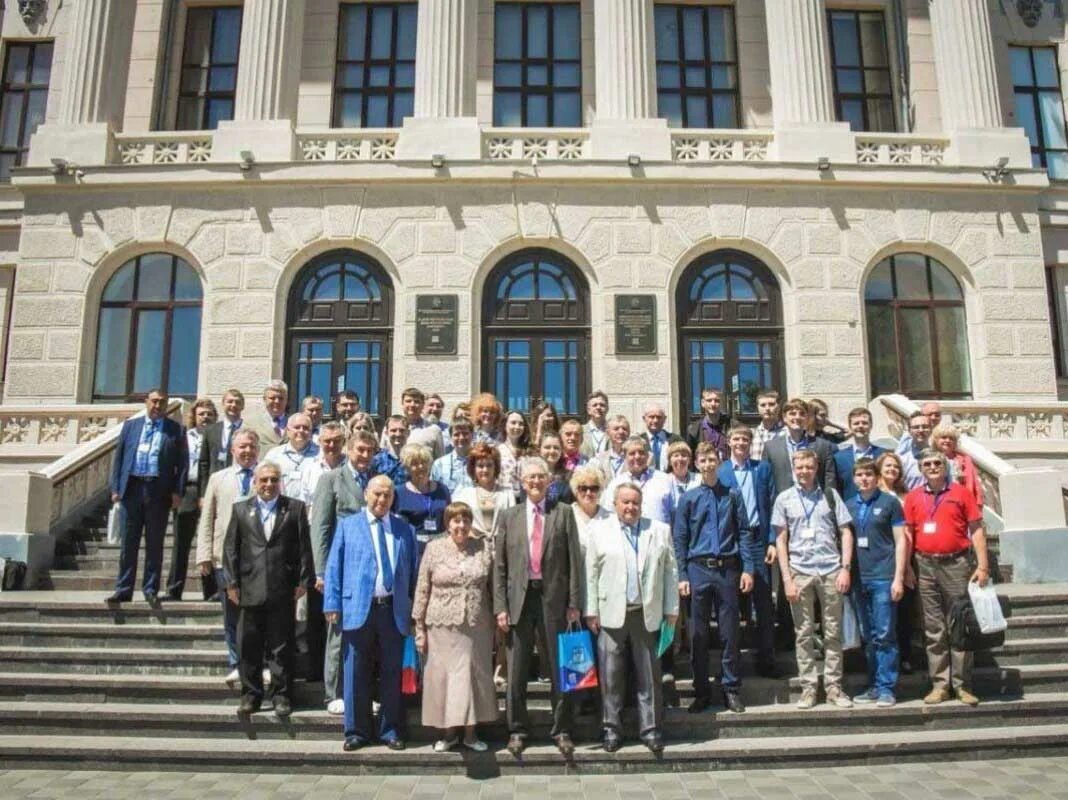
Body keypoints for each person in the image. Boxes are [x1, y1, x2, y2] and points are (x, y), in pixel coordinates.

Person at [493, 457, 582, 757]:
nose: (535, 482)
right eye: (529, 477)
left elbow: (574, 562)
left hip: (553, 598)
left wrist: (573, 603)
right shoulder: (509, 516)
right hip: (519, 601)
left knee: (560, 668)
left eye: (540, 477)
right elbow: (500, 567)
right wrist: (501, 606)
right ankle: (517, 730)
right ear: (521, 481)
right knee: (516, 671)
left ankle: (562, 729)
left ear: (549, 481)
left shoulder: (564, 513)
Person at [324, 476, 418, 751]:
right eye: (377, 494)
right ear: (366, 494)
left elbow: (412, 572)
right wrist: (332, 603)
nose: (381, 500)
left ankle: (391, 730)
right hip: (357, 609)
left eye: (387, 495)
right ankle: (357, 731)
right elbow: (334, 566)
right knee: (355, 670)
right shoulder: (348, 526)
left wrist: (413, 609)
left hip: (393, 610)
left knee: (392, 672)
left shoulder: (404, 530)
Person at [586, 482, 679, 752]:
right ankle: (611, 730)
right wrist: (591, 610)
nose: (630, 507)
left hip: (646, 613)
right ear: (615, 504)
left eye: (635, 503)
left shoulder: (659, 531)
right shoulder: (599, 531)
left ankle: (650, 730)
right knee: (611, 676)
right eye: (625, 502)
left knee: (649, 676)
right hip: (610, 615)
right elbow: (590, 572)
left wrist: (671, 609)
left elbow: (670, 572)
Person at [223, 461, 314, 718]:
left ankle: (281, 695)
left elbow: (304, 548)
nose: (269, 485)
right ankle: (251, 695)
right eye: (264, 480)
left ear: (280, 482)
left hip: (281, 588)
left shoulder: (294, 509)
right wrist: (231, 583)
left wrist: (303, 581)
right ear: (255, 482)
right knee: (248, 646)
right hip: (249, 589)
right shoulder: (241, 510)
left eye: (274, 480)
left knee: (281, 647)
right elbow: (231, 549)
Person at [904, 448, 990, 707]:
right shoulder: (913, 497)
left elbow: (976, 529)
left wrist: (983, 565)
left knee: (959, 625)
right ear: (921, 469)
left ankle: (962, 685)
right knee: (934, 627)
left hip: (956, 563)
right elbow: (908, 534)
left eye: (937, 463)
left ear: (945, 466)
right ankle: (940, 684)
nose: (932, 467)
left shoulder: (961, 493)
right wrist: (907, 567)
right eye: (927, 464)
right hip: (925, 564)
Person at [673, 444, 753, 714]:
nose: (708, 464)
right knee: (698, 633)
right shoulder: (689, 498)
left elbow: (743, 532)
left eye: (712, 459)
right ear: (696, 463)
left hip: (727, 569)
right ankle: (701, 690)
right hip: (698, 569)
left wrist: (748, 568)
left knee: (730, 631)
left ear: (720, 462)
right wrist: (682, 574)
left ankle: (731, 688)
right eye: (703, 460)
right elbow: (680, 539)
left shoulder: (732, 495)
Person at [772, 449, 854, 709]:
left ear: (816, 467)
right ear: (794, 469)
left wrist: (846, 568)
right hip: (800, 572)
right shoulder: (784, 499)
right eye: (800, 467)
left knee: (832, 633)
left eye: (809, 466)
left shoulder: (830, 496)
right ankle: (809, 688)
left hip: (830, 570)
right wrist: (786, 579)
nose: (804, 471)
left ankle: (833, 687)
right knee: (803, 634)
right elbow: (781, 540)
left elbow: (846, 532)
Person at [413, 502, 497, 753]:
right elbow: (422, 588)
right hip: (441, 625)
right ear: (447, 524)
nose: (461, 525)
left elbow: (493, 587)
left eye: (465, 520)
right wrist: (419, 628)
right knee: (445, 680)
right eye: (455, 521)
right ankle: (448, 734)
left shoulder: (483, 548)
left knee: (472, 678)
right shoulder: (434, 548)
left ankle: (471, 733)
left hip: (476, 624)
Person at [310, 429, 376, 715]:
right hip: (341, 568)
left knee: (366, 634)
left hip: (371, 571)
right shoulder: (331, 480)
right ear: (348, 450)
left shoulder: (375, 482)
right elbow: (321, 528)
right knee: (337, 631)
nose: (364, 456)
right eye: (359, 450)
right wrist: (322, 571)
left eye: (369, 451)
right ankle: (333, 693)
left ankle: (362, 692)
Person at [107, 390, 187, 606]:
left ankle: (150, 588)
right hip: (132, 489)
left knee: (154, 544)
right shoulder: (130, 426)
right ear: (146, 402)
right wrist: (116, 488)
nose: (157, 406)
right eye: (154, 401)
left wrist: (177, 492)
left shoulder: (176, 430)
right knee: (128, 544)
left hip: (158, 492)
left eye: (162, 402)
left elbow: (182, 464)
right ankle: (123, 589)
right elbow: (119, 458)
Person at [197, 428, 259, 686]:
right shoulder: (218, 479)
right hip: (226, 558)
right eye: (242, 446)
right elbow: (208, 519)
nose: (246, 451)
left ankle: (258, 662)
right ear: (233, 450)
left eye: (251, 447)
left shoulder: (266, 477)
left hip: (258, 558)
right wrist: (203, 554)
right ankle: (235, 661)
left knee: (257, 615)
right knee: (231, 614)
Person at [717, 426, 778, 677]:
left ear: (751, 443)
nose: (741, 442)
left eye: (745, 439)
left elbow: (773, 503)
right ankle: (734, 663)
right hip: (733, 543)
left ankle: (766, 660)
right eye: (736, 439)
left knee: (763, 604)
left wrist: (773, 540)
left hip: (759, 539)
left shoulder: (762, 468)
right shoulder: (721, 472)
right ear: (729, 442)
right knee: (732, 603)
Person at [847, 458, 908, 708]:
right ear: (854, 479)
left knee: (885, 634)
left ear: (876, 477)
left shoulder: (890, 503)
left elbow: (901, 541)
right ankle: (873, 684)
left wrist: (899, 577)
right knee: (868, 635)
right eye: (860, 475)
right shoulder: (849, 505)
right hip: (860, 579)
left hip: (884, 576)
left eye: (869, 475)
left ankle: (886, 688)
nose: (864, 479)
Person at [167, 397, 216, 601]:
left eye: (210, 414)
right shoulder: (184, 437)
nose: (205, 417)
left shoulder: (218, 438)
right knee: (182, 542)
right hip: (188, 489)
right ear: (194, 416)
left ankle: (211, 590)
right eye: (202, 414)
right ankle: (174, 588)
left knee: (209, 542)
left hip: (211, 491)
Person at [877, 451, 918, 675]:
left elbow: (909, 530)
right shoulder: (872, 493)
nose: (892, 469)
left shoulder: (905, 495)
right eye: (888, 466)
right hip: (881, 559)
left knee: (904, 610)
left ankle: (905, 655)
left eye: (895, 466)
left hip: (906, 556)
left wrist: (908, 567)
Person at [762, 397, 838, 495]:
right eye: (792, 414)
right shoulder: (771, 448)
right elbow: (766, 482)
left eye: (802, 414)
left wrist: (829, 504)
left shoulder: (823, 446)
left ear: (807, 418)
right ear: (784, 418)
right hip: (784, 505)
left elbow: (830, 481)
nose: (797, 417)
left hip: (816, 504)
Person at [393, 443, 452, 556]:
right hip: (411, 550)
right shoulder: (399, 493)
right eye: (414, 464)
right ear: (407, 468)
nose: (420, 467)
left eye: (423, 462)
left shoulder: (442, 490)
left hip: (440, 550)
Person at [602, 436, 673, 524]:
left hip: (659, 535)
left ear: (647, 455)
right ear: (624, 456)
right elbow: (609, 514)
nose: (637, 456)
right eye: (632, 453)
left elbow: (676, 513)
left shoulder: (665, 480)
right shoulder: (616, 483)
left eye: (641, 452)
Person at [569, 464, 610, 616]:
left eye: (593, 488)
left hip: (602, 594)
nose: (588, 492)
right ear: (575, 490)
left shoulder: (610, 519)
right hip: (574, 594)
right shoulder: (566, 516)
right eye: (583, 488)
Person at [453, 443, 516, 539]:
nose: (485, 470)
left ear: (496, 468)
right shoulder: (464, 495)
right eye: (480, 466)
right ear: (473, 469)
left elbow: (513, 524)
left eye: (489, 465)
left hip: (501, 547)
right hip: (474, 547)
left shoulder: (507, 493)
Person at [197, 388, 245, 494]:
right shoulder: (210, 430)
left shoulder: (248, 430)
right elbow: (204, 463)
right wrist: (202, 494)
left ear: (242, 406)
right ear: (223, 404)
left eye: (237, 402)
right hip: (215, 485)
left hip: (240, 485)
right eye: (230, 401)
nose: (233, 405)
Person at [263, 413, 320, 499]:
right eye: (297, 427)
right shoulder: (274, 455)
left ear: (311, 432)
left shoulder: (321, 454)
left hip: (311, 509)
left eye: (305, 428)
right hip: (282, 508)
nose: (301, 430)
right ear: (288, 431)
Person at [834, 408, 886, 502]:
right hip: (849, 511)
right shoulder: (839, 458)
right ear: (850, 427)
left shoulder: (883, 455)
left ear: (871, 426)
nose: (860, 426)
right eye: (856, 423)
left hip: (879, 509)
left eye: (864, 423)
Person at [298, 421, 348, 513]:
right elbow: (305, 504)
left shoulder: (351, 468)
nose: (331, 445)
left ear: (344, 442)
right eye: (327, 441)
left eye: (336, 441)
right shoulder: (310, 469)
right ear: (319, 442)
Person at [931, 423, 984, 508]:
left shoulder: (965, 460)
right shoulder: (929, 459)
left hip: (960, 503)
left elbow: (975, 484)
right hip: (936, 503)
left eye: (951, 438)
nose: (947, 440)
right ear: (936, 440)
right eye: (943, 437)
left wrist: (978, 504)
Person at [385, 386, 445, 460]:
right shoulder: (390, 427)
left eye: (416, 401)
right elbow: (383, 454)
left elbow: (440, 461)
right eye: (408, 401)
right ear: (402, 403)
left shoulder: (434, 430)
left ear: (423, 405)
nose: (412, 405)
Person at [685, 388, 732, 462]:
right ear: (702, 403)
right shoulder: (693, 430)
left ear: (722, 403)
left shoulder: (732, 425)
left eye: (717, 401)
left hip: (728, 471)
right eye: (709, 400)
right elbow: (689, 457)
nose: (713, 404)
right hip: (704, 471)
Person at [430, 419, 474, 494]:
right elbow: (433, 491)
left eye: (465, 434)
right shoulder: (439, 464)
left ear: (472, 435)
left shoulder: (479, 462)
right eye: (456, 434)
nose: (461, 438)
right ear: (450, 438)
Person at [246, 379, 289, 450]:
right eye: (272, 398)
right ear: (264, 399)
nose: (277, 401)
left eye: (281, 398)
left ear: (286, 400)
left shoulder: (295, 423)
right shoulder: (250, 424)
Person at [497, 410, 531, 497]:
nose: (517, 426)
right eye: (513, 423)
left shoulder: (529, 452)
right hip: (504, 497)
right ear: (505, 425)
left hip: (525, 497)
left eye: (521, 424)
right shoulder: (497, 451)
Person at [641, 402, 680, 472]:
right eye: (651, 417)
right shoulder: (638, 441)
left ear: (664, 419)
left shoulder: (676, 440)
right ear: (644, 418)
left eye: (659, 417)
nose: (655, 420)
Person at [899, 411, 933, 490]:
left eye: (925, 427)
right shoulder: (902, 460)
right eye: (916, 427)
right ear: (909, 431)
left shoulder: (941, 457)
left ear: (931, 429)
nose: (921, 430)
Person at [538, 432, 575, 504]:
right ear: (539, 449)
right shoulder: (530, 475)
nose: (552, 451)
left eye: (556, 448)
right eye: (547, 447)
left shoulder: (570, 476)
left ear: (561, 451)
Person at [592, 415, 631, 481]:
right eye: (616, 429)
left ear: (629, 432)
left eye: (624, 429)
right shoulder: (599, 459)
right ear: (607, 433)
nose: (621, 432)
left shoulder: (639, 458)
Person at [666, 440, 700, 515]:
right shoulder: (664, 481)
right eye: (676, 455)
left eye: (684, 455)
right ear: (669, 461)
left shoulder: (699, 479)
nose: (680, 459)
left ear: (689, 460)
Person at [750, 390, 785, 461]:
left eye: (771, 404)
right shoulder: (751, 434)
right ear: (758, 408)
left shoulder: (787, 432)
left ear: (778, 407)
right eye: (763, 405)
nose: (767, 408)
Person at [375, 415, 410, 485]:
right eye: (393, 430)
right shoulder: (377, 460)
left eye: (402, 430)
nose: (398, 434)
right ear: (386, 433)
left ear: (408, 433)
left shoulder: (414, 459)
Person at [581, 390, 610, 458]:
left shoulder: (613, 430)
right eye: (595, 405)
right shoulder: (580, 431)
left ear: (607, 409)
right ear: (588, 410)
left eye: (602, 405)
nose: (598, 407)